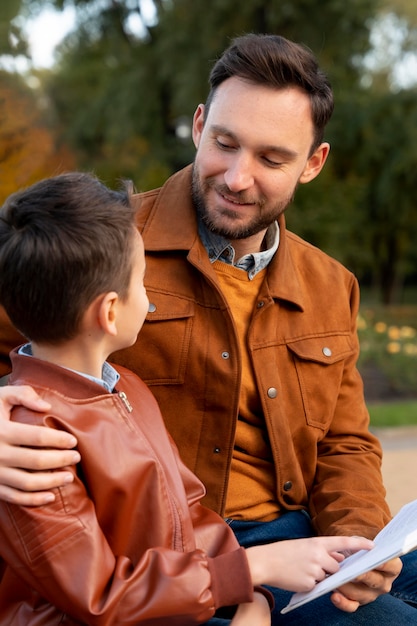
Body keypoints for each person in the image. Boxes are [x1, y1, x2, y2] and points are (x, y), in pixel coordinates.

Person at [0, 34, 417, 624]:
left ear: (313, 164)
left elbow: (344, 443)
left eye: (272, 160)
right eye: (224, 144)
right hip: (178, 560)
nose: (238, 178)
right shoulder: (103, 246)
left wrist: (359, 545)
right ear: (199, 126)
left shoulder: (331, 284)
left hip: (286, 538)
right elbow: (33, 346)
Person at [0, 172, 374, 625]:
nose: (148, 295)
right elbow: (100, 596)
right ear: (111, 311)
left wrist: (250, 592)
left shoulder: (127, 388)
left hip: (179, 600)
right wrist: (256, 568)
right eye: (143, 282)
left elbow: (189, 512)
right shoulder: (36, 440)